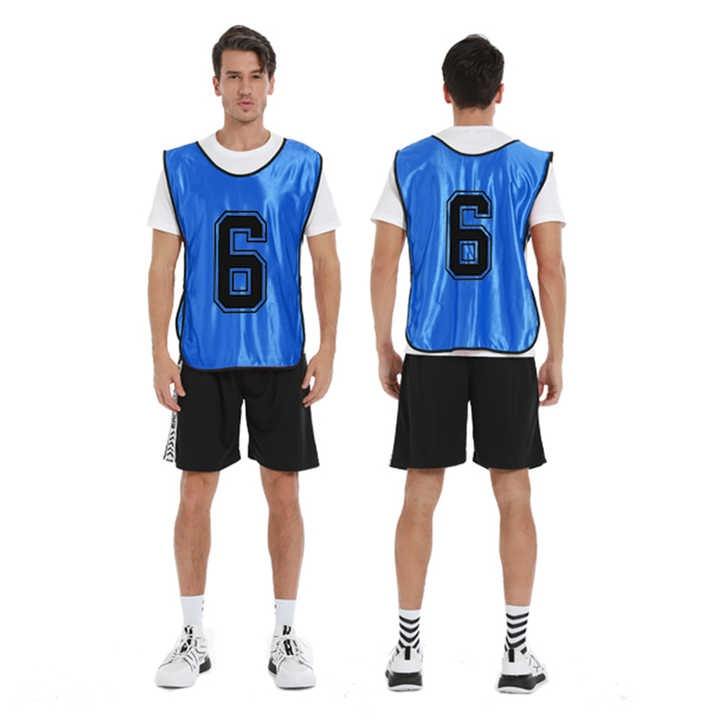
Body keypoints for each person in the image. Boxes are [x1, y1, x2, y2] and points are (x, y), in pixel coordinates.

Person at [370, 34, 566, 693]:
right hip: (508, 350)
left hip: (431, 348)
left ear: (446, 91)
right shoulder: (533, 164)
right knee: (514, 495)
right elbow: (551, 267)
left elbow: (384, 262)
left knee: (420, 495)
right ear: (500, 92)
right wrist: (556, 352)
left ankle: (406, 653)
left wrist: (383, 345)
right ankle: (516, 655)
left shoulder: (409, 162)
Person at [147, 25, 340, 690]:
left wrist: (329, 347)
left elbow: (326, 262)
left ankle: (286, 633)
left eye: (255, 75)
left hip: (280, 355)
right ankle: (191, 633)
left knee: (284, 490)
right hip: (204, 356)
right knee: (194, 491)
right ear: (216, 84)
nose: (245, 88)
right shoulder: (180, 165)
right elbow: (161, 265)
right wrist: (158, 353)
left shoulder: (304, 165)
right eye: (233, 76)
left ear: (271, 82)